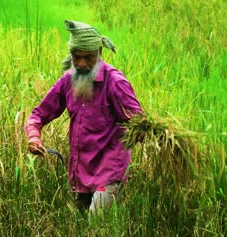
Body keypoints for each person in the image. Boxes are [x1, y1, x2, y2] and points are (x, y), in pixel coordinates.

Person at [25, 20, 143, 213]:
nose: (81, 64)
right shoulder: (67, 81)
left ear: (99, 53)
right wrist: (33, 136)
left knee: (96, 226)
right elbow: (38, 114)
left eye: (88, 57)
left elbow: (139, 122)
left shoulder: (115, 83)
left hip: (109, 170)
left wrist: (149, 133)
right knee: (82, 229)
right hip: (82, 171)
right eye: (76, 57)